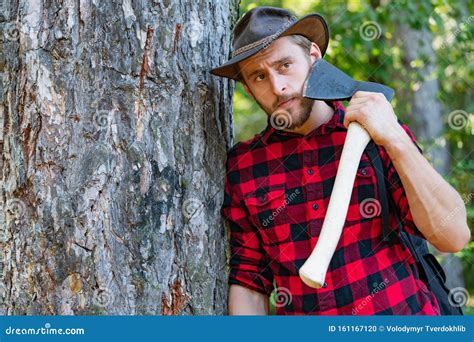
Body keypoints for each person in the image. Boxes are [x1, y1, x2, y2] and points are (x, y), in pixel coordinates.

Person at [211, 6, 470, 315]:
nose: (278, 87)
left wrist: (395, 137)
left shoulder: (376, 132)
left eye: (285, 65)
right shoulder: (245, 168)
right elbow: (250, 282)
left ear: (314, 57)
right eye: (259, 76)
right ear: (247, 87)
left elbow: (453, 236)